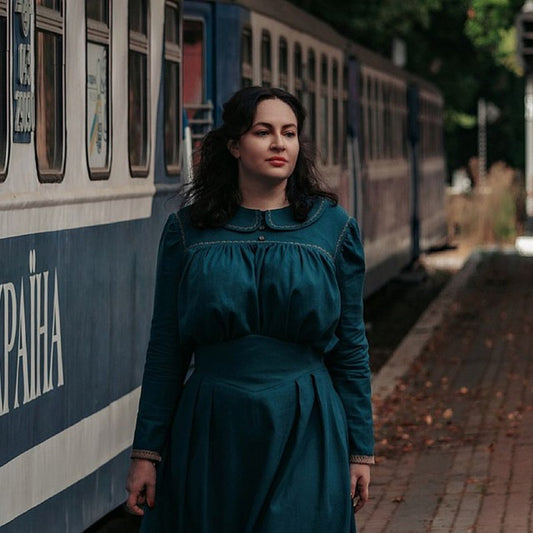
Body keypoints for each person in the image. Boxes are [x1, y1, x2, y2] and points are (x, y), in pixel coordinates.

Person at [126, 86, 374, 532]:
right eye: (264, 132)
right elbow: (166, 348)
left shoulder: (334, 230)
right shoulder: (187, 232)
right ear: (235, 144)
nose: (280, 143)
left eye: (290, 132)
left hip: (307, 422)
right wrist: (147, 453)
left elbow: (351, 346)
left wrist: (360, 450)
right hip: (213, 425)